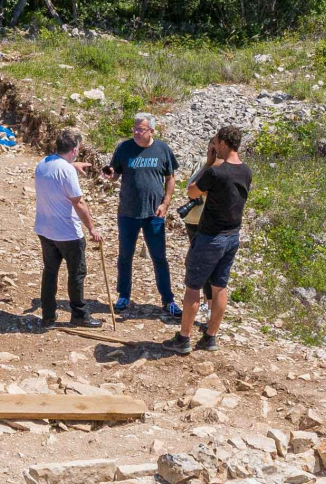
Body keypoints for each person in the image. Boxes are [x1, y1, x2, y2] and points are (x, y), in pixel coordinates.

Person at [163, 125, 251, 353]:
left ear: (223, 143)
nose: (213, 147)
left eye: (215, 142)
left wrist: (210, 163)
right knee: (220, 287)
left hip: (210, 237)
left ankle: (183, 339)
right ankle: (210, 336)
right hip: (232, 236)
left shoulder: (215, 172)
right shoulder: (245, 171)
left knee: (193, 287)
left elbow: (192, 192)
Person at [101, 112, 182, 319]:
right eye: (134, 128)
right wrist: (110, 175)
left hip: (154, 213)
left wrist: (165, 203)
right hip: (128, 212)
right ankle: (123, 296)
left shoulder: (162, 149)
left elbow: (170, 178)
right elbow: (116, 174)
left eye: (141, 129)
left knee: (159, 258)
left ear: (152, 131)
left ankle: (168, 300)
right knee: (125, 256)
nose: (136, 132)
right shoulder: (124, 147)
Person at [33, 127, 103, 329]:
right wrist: (91, 228)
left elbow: (59, 169)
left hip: (45, 229)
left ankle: (48, 316)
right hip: (67, 232)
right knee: (77, 274)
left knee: (50, 272)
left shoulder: (42, 164)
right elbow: (78, 203)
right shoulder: (67, 171)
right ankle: (79, 314)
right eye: (78, 149)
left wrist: (74, 165)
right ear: (73, 150)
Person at [182, 139, 215, 323]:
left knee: (206, 267)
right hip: (193, 220)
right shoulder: (202, 163)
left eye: (214, 147)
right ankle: (205, 302)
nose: (211, 151)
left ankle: (210, 306)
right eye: (209, 147)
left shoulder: (221, 168)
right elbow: (191, 188)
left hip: (206, 222)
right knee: (197, 264)